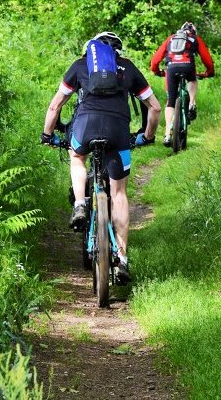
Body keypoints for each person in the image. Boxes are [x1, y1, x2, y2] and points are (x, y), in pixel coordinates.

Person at [41, 31, 160, 284]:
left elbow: (55, 105)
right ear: (117, 50)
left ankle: (81, 204)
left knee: (77, 157)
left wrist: (47, 134)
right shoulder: (127, 68)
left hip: (85, 126)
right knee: (119, 194)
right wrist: (147, 137)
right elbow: (155, 107)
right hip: (118, 131)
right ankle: (122, 259)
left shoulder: (81, 65)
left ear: (92, 49)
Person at [150, 21, 215, 146]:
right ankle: (191, 103)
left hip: (171, 68)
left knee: (171, 101)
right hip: (188, 67)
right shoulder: (195, 39)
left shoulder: (171, 39)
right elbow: (206, 58)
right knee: (192, 80)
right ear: (194, 31)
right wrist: (209, 72)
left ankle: (167, 134)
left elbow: (156, 59)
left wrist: (157, 71)